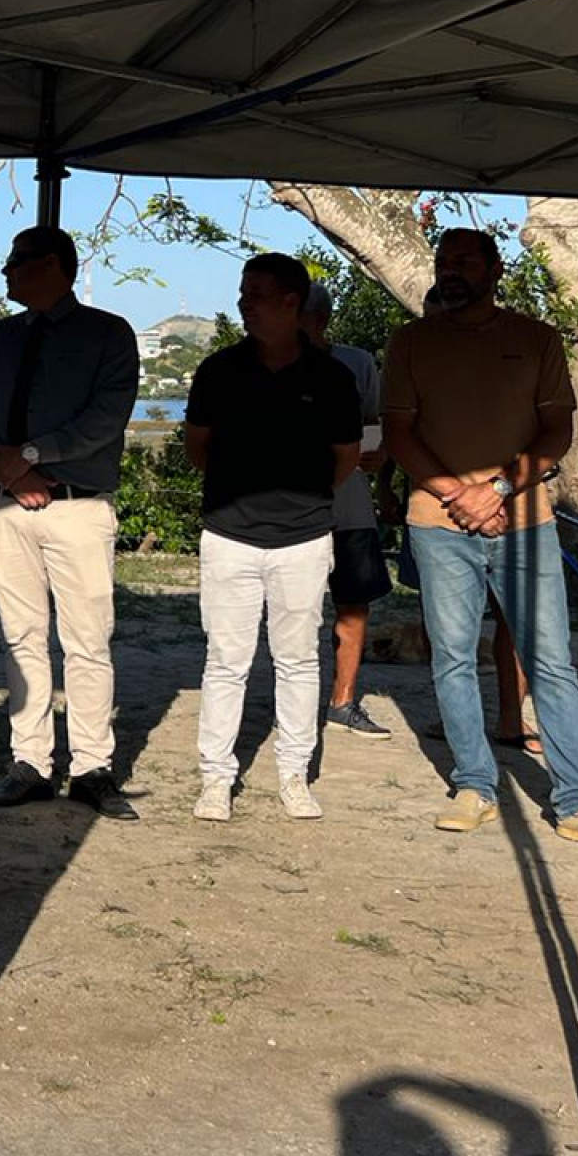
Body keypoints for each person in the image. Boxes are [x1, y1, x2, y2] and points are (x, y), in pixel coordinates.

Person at [380, 227, 578, 845]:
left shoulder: (536, 339)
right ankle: (475, 784)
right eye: (441, 261)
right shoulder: (411, 342)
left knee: (552, 662)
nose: (449, 271)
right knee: (453, 660)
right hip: (439, 525)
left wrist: (497, 491)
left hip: (525, 524)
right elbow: (400, 433)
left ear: (494, 269)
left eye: (463, 261)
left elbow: (555, 431)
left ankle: (577, 800)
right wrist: (460, 494)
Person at [0, 225, 140, 816]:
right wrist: (12, 475)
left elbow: (105, 419)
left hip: (78, 507)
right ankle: (30, 760)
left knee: (87, 641)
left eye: (16, 262)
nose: (6, 273)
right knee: (21, 636)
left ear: (53, 266)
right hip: (3, 506)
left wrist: (32, 458)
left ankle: (92, 766)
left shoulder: (108, 335)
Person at [185, 253, 362, 824]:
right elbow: (198, 448)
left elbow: (346, 457)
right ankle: (216, 777)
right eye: (243, 292)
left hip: (304, 539)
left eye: (256, 293)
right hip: (229, 537)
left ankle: (294, 773)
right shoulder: (218, 370)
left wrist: (301, 503)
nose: (244, 302)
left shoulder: (332, 377)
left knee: (298, 661)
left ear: (292, 304)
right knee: (225, 661)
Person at [303, 282, 393, 738]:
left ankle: (343, 699)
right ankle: (296, 704)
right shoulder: (268, 366)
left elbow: (376, 424)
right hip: (294, 512)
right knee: (294, 612)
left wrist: (380, 465)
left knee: (353, 605)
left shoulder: (357, 362)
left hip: (352, 507)